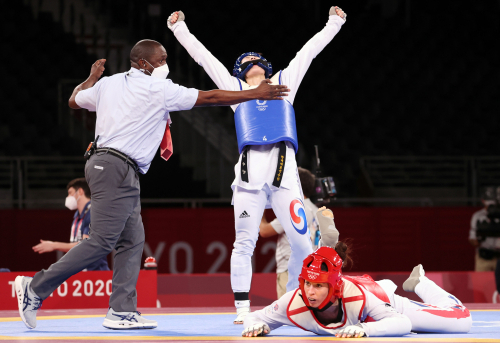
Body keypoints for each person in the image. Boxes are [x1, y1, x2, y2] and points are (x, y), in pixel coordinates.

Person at [14, 39, 289, 330]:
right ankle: (34, 288)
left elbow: (74, 99)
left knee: (132, 241)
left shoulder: (109, 83)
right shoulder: (158, 89)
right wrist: (253, 94)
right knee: (102, 241)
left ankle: (121, 311)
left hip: (119, 168)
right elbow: (209, 97)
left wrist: (92, 79)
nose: (165, 64)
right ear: (144, 63)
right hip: (113, 166)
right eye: (161, 59)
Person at [167, 5, 346, 324]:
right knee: (244, 241)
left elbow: (309, 51)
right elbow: (204, 58)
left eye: (256, 62)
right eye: (247, 63)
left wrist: (334, 22)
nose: (253, 65)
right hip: (249, 174)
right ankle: (242, 309)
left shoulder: (284, 83)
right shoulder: (235, 90)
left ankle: (294, 298)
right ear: (240, 70)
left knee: (302, 243)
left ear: (265, 66)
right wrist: (180, 30)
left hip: (285, 173)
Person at [241, 208, 472, 338]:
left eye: (318, 286)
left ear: (335, 289)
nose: (309, 292)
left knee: (461, 321)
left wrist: (364, 329)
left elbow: (402, 323)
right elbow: (257, 317)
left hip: (382, 302)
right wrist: (256, 325)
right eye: (307, 284)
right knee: (327, 264)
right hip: (353, 293)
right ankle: (328, 242)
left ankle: (421, 283)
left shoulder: (356, 298)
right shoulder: (293, 301)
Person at [260, 168, 334, 299]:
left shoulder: (294, 209)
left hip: (291, 270)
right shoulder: (316, 209)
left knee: (288, 313)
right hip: (311, 270)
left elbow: (264, 231)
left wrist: (260, 206)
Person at [32, 178, 109, 271]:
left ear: (80, 191)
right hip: (80, 271)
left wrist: (54, 245)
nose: (68, 197)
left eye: (70, 193)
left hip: (95, 273)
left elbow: (85, 246)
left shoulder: (93, 213)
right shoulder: (77, 216)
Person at [469, 186, 500, 272]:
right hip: (484, 257)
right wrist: (480, 238)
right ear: (483, 201)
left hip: (499, 257)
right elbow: (472, 239)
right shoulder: (478, 216)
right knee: (481, 284)